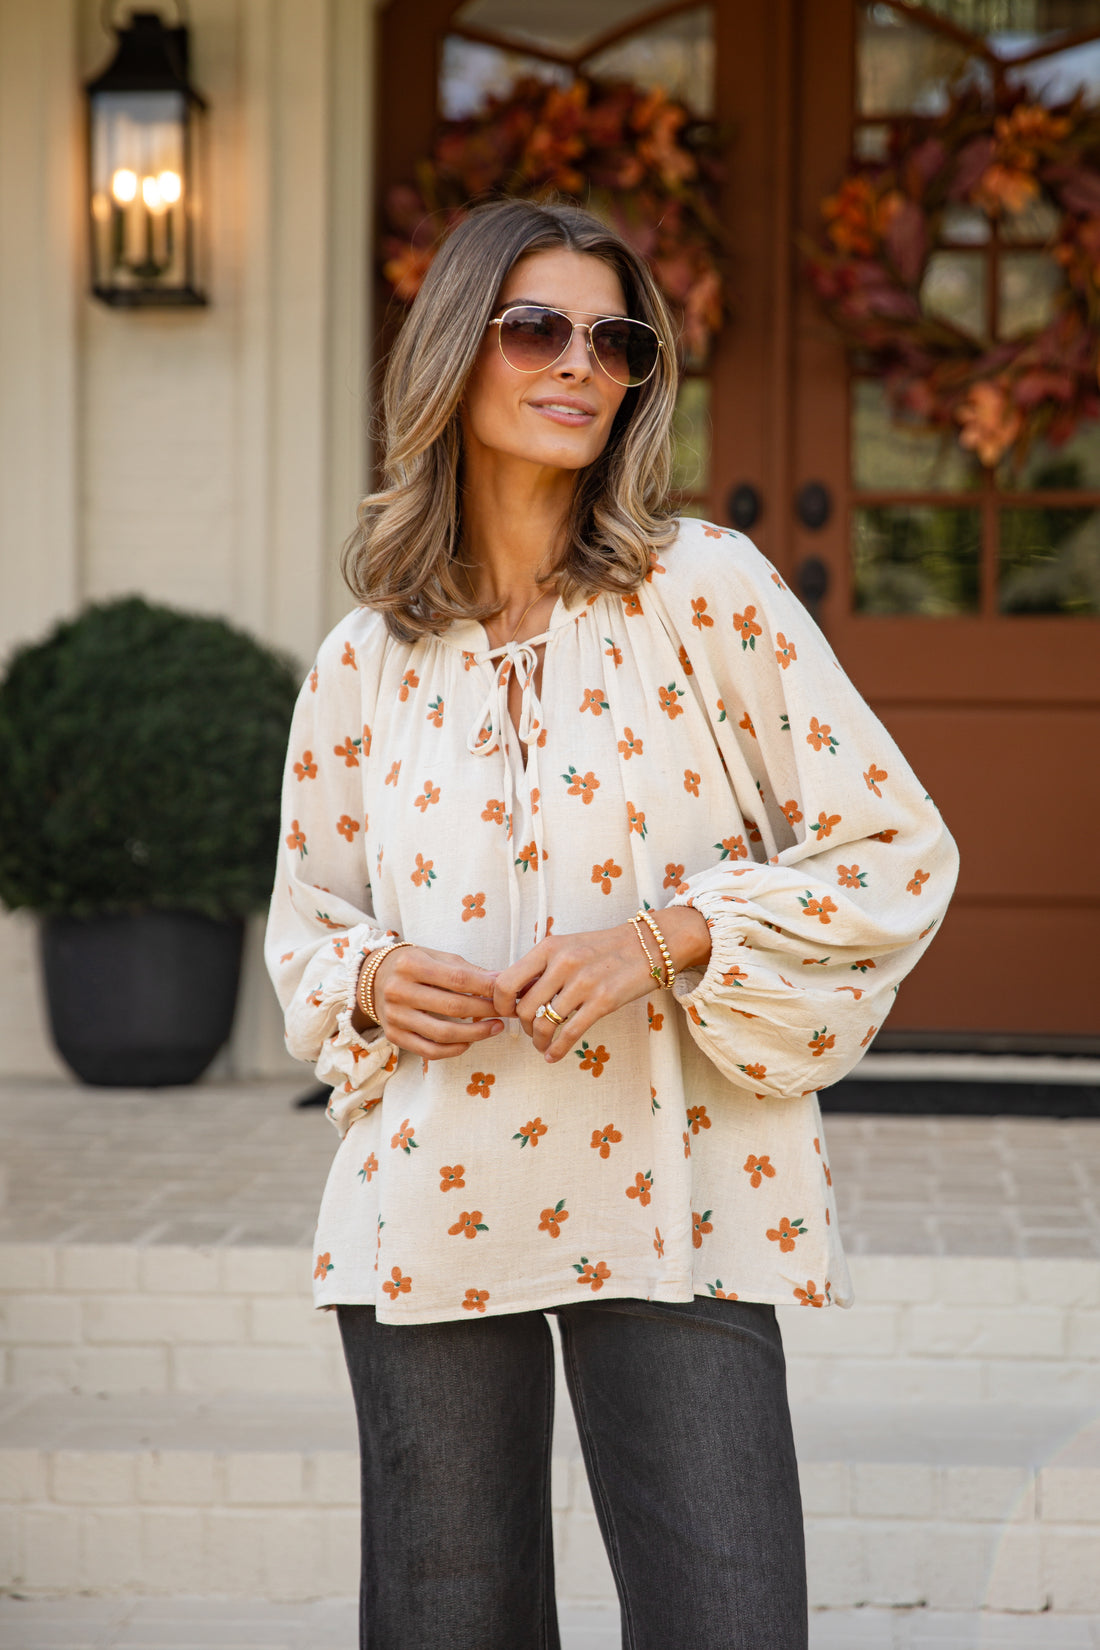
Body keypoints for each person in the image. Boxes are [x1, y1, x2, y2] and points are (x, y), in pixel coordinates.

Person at [265, 197, 958, 1650]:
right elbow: (307, 925)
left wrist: (661, 937)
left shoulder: (703, 589)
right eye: (536, 327)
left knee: (728, 1618)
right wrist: (378, 975)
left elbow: (895, 846)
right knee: (448, 1625)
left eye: (616, 337)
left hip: (679, 1190)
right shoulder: (362, 660)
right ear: (456, 353)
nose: (580, 363)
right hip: (433, 1194)